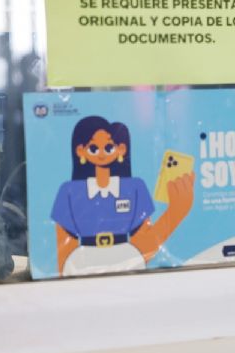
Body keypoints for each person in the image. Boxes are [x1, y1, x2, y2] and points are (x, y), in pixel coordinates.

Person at [52, 115, 194, 276]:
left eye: (108, 148)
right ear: (80, 151)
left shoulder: (134, 188)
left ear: (121, 149)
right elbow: (64, 251)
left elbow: (145, 244)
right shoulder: (69, 192)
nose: (101, 154)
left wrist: (177, 211)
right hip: (82, 260)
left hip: (127, 257)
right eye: (93, 148)